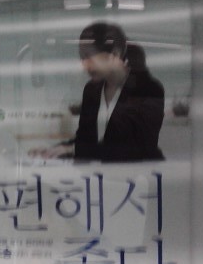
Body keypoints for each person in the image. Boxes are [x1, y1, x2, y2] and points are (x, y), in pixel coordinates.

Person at [30, 22, 165, 162]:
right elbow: (85, 140)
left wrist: (73, 149)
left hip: (142, 172)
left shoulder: (148, 89)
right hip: (101, 173)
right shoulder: (92, 90)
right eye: (82, 58)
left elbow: (136, 147)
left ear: (115, 54)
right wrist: (53, 150)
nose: (84, 65)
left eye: (89, 57)